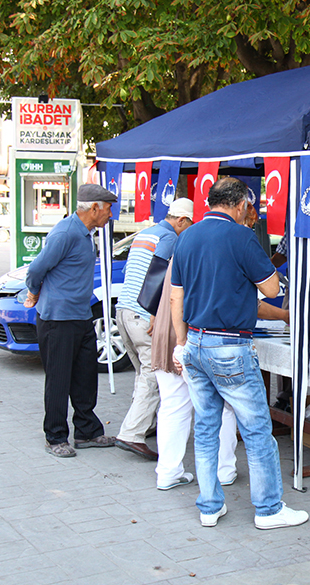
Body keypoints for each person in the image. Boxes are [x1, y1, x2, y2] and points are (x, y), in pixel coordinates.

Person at [171, 177, 309, 530]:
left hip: (196, 343)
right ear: (239, 205)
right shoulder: (242, 236)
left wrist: (181, 342)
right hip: (230, 345)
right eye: (250, 206)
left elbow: (177, 297)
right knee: (257, 429)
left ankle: (209, 506)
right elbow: (273, 287)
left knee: (205, 429)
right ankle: (268, 509)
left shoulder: (186, 236)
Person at [25, 183, 119, 458]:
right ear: (94, 209)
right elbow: (37, 268)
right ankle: (55, 436)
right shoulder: (66, 232)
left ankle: (87, 430)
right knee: (59, 378)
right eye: (108, 209)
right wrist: (33, 292)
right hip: (58, 319)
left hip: (80, 315)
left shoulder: (87, 233)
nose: (110, 215)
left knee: (85, 376)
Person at [115, 197, 195, 461]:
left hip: (124, 311)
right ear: (181, 220)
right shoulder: (170, 237)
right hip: (142, 313)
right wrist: (154, 313)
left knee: (144, 373)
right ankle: (132, 433)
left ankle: (147, 423)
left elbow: (130, 270)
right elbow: (160, 273)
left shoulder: (145, 234)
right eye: (189, 225)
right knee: (153, 374)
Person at [151, 259, 238, 490]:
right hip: (191, 335)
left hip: (166, 331)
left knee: (172, 406)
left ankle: (168, 472)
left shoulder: (181, 247)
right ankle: (223, 469)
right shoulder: (209, 250)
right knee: (221, 405)